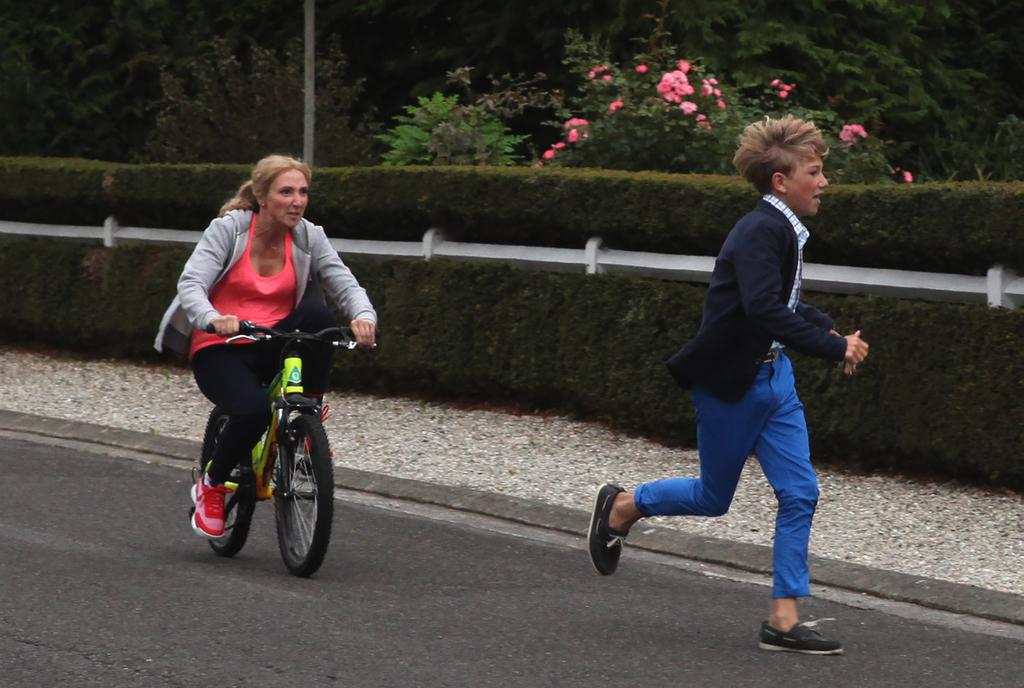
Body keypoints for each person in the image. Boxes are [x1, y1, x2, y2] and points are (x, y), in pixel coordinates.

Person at [587, 115, 869, 655]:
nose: (825, 182)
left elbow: (781, 303)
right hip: (732, 385)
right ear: (781, 181)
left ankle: (783, 620)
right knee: (713, 498)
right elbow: (761, 308)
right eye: (815, 172)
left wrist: (824, 327)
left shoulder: (782, 229)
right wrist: (833, 347)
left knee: (801, 493)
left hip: (775, 379)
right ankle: (624, 506)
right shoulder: (760, 230)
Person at [154, 154, 377, 539]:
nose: (297, 201)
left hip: (275, 341)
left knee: (321, 321)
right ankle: (212, 483)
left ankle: (309, 409)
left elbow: (345, 283)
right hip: (223, 345)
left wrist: (364, 317)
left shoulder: (309, 235)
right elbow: (191, 284)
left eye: (303, 192)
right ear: (262, 196)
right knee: (253, 413)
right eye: (286, 191)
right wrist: (212, 318)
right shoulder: (229, 230)